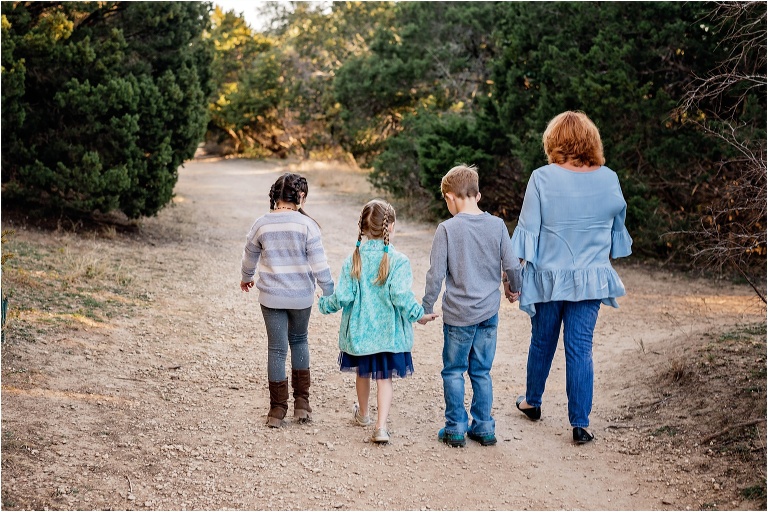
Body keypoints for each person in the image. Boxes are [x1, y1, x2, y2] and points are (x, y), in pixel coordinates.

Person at [508, 111, 633, 444]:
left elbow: (527, 231)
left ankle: (532, 402)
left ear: (554, 141)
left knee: (542, 341)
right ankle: (580, 424)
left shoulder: (542, 177)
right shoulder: (609, 178)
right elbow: (617, 228)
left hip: (548, 276)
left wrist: (511, 275)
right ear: (591, 141)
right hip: (590, 277)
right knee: (580, 349)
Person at [318, 199, 437, 444]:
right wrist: (419, 315)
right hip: (389, 336)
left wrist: (322, 303)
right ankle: (381, 428)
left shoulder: (354, 259)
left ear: (362, 227)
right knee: (384, 379)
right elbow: (401, 296)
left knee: (362, 374)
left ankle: (363, 415)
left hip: (361, 335)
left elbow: (343, 296)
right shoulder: (399, 260)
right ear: (390, 226)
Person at [422, 165, 523, 448]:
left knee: (454, 370)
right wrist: (515, 289)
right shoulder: (498, 226)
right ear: (477, 195)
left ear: (450, 197)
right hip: (488, 313)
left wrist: (426, 305)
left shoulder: (447, 229)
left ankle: (455, 428)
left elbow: (435, 274)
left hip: (458, 316)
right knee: (481, 371)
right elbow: (512, 265)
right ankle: (484, 427)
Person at [240, 173, 334, 428]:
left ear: (275, 197)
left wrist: (246, 277)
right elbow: (319, 264)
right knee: (300, 340)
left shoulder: (262, 224)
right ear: (300, 197)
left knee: (277, 349)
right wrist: (329, 289)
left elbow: (250, 255)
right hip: (301, 297)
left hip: (271, 297)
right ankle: (301, 404)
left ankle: (276, 410)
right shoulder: (307, 226)